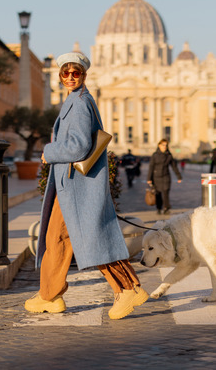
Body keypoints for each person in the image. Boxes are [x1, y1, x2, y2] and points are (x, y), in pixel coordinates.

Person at [25, 52, 148, 320]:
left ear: (84, 74)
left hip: (78, 187)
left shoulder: (80, 103)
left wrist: (50, 151)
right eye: (65, 73)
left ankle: (129, 289)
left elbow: (79, 146)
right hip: (70, 185)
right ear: (59, 76)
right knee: (56, 239)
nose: (70, 77)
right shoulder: (74, 100)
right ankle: (50, 295)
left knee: (92, 238)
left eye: (75, 73)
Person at [147, 139, 182, 215]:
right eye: (163, 145)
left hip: (166, 176)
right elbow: (151, 167)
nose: (164, 147)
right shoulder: (155, 155)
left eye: (166, 145)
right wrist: (149, 178)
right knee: (158, 193)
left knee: (166, 193)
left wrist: (179, 176)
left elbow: (174, 166)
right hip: (156, 177)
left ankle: (166, 208)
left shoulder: (169, 155)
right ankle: (159, 208)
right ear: (159, 145)